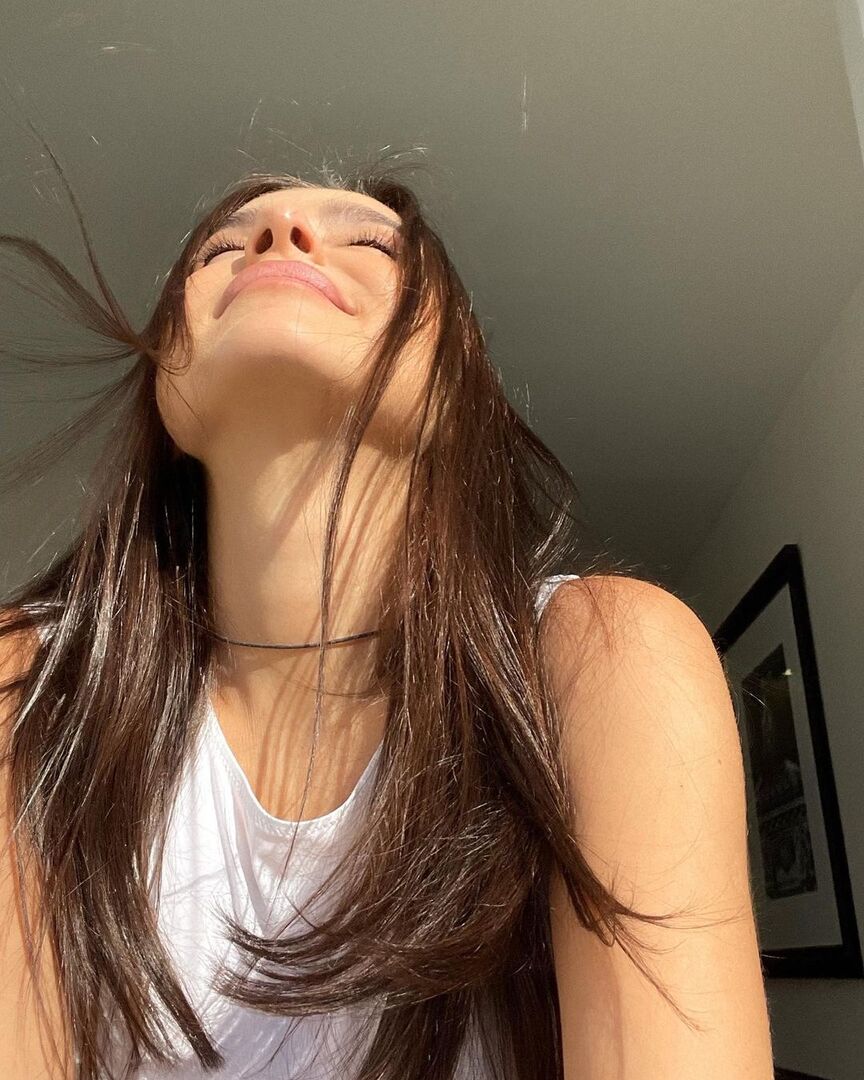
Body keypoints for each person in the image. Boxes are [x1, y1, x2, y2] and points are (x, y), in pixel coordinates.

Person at [0, 157, 775, 1079]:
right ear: (167, 376)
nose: (279, 236)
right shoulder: (26, 688)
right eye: (219, 250)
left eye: (370, 242)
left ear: (454, 383)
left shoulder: (604, 662)